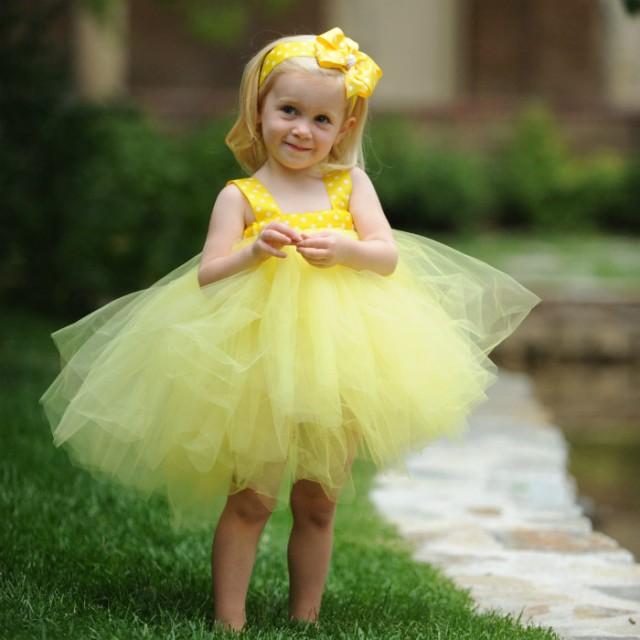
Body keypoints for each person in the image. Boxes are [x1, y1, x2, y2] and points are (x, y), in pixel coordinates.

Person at [39, 27, 541, 633]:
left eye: (322, 119)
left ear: (344, 128)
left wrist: (346, 247)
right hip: (256, 357)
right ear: (260, 111)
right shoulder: (242, 196)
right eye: (289, 111)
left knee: (319, 500)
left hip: (342, 353)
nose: (303, 130)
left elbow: (386, 254)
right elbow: (208, 275)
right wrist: (253, 253)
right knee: (251, 497)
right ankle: (230, 620)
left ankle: (305, 619)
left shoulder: (348, 185)